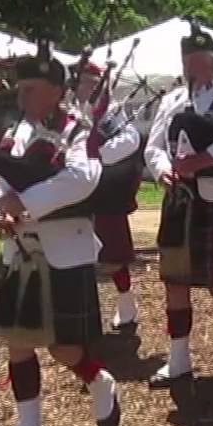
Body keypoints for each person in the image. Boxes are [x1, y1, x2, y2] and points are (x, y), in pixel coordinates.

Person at [0, 46, 118, 426]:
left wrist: (26, 204)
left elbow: (83, 178)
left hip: (63, 249)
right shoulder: (17, 129)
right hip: (22, 250)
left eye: (32, 88)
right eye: (21, 88)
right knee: (19, 344)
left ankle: (100, 383)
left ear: (57, 91)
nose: (23, 96)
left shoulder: (76, 130)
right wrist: (1, 207)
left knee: (63, 348)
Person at [144, 21, 213, 387]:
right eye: (186, 61)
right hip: (179, 199)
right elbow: (154, 146)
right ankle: (179, 361)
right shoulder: (171, 100)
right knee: (175, 281)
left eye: (198, 61)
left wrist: (203, 159)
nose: (191, 68)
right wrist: (162, 170)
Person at [73, 59, 140, 330]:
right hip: (73, 187)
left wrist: (97, 156)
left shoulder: (110, 111)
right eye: (81, 81)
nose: (85, 86)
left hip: (104, 190)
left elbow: (130, 138)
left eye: (91, 81)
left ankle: (126, 304)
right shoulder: (66, 111)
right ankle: (82, 313)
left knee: (112, 254)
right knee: (75, 253)